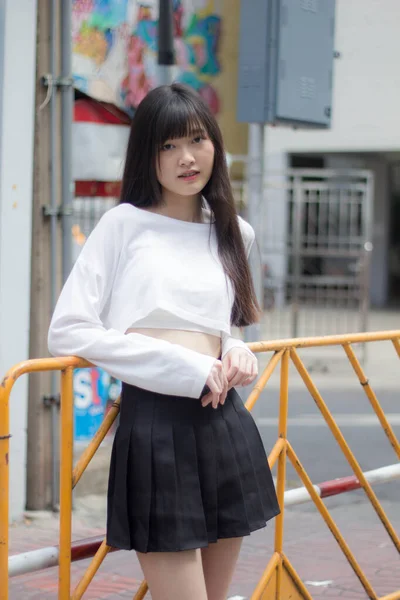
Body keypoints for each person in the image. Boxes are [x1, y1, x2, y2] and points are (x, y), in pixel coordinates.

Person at [48, 83, 280, 600]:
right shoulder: (123, 225)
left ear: (215, 146)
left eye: (196, 140)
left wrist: (237, 351)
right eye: (167, 145)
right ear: (146, 156)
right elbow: (68, 329)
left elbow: (230, 325)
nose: (186, 157)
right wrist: (182, 365)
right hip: (156, 426)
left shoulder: (233, 232)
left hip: (224, 423)